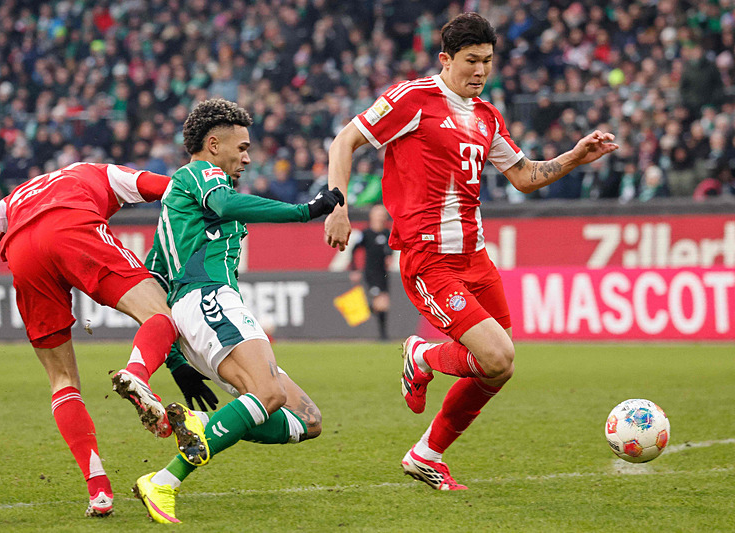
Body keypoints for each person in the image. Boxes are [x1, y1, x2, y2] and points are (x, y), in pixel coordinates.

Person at [324, 12, 618, 490]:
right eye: (471, 61)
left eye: (487, 61)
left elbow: (523, 175)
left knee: (498, 368)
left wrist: (573, 157)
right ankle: (421, 356)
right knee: (496, 356)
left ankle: (426, 454)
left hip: (475, 258)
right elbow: (345, 141)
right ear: (446, 59)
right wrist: (338, 206)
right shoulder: (413, 98)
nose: (480, 71)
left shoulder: (487, 115)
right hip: (429, 259)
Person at [0, 162, 214, 517]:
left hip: (23, 251)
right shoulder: (98, 172)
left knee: (62, 380)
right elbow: (174, 188)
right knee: (161, 314)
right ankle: (137, 374)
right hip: (75, 229)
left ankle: (99, 491)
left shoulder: (15, 198)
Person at [132, 98, 343, 524]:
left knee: (307, 419)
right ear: (213, 145)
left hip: (199, 313)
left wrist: (178, 362)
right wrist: (305, 211)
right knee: (268, 395)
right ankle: (164, 481)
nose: (247, 158)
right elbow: (228, 206)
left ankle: (200, 424)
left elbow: (155, 281)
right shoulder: (200, 174)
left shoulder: (175, 212)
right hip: (210, 300)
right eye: (242, 148)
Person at [349, 203, 393, 340]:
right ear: (372, 216)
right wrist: (354, 270)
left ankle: (382, 334)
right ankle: (383, 335)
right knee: (381, 302)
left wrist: (389, 256)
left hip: (383, 273)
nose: (380, 217)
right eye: (378, 214)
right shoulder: (366, 234)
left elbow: (389, 249)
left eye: (382, 214)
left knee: (384, 305)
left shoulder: (387, 233)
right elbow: (353, 250)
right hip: (371, 273)